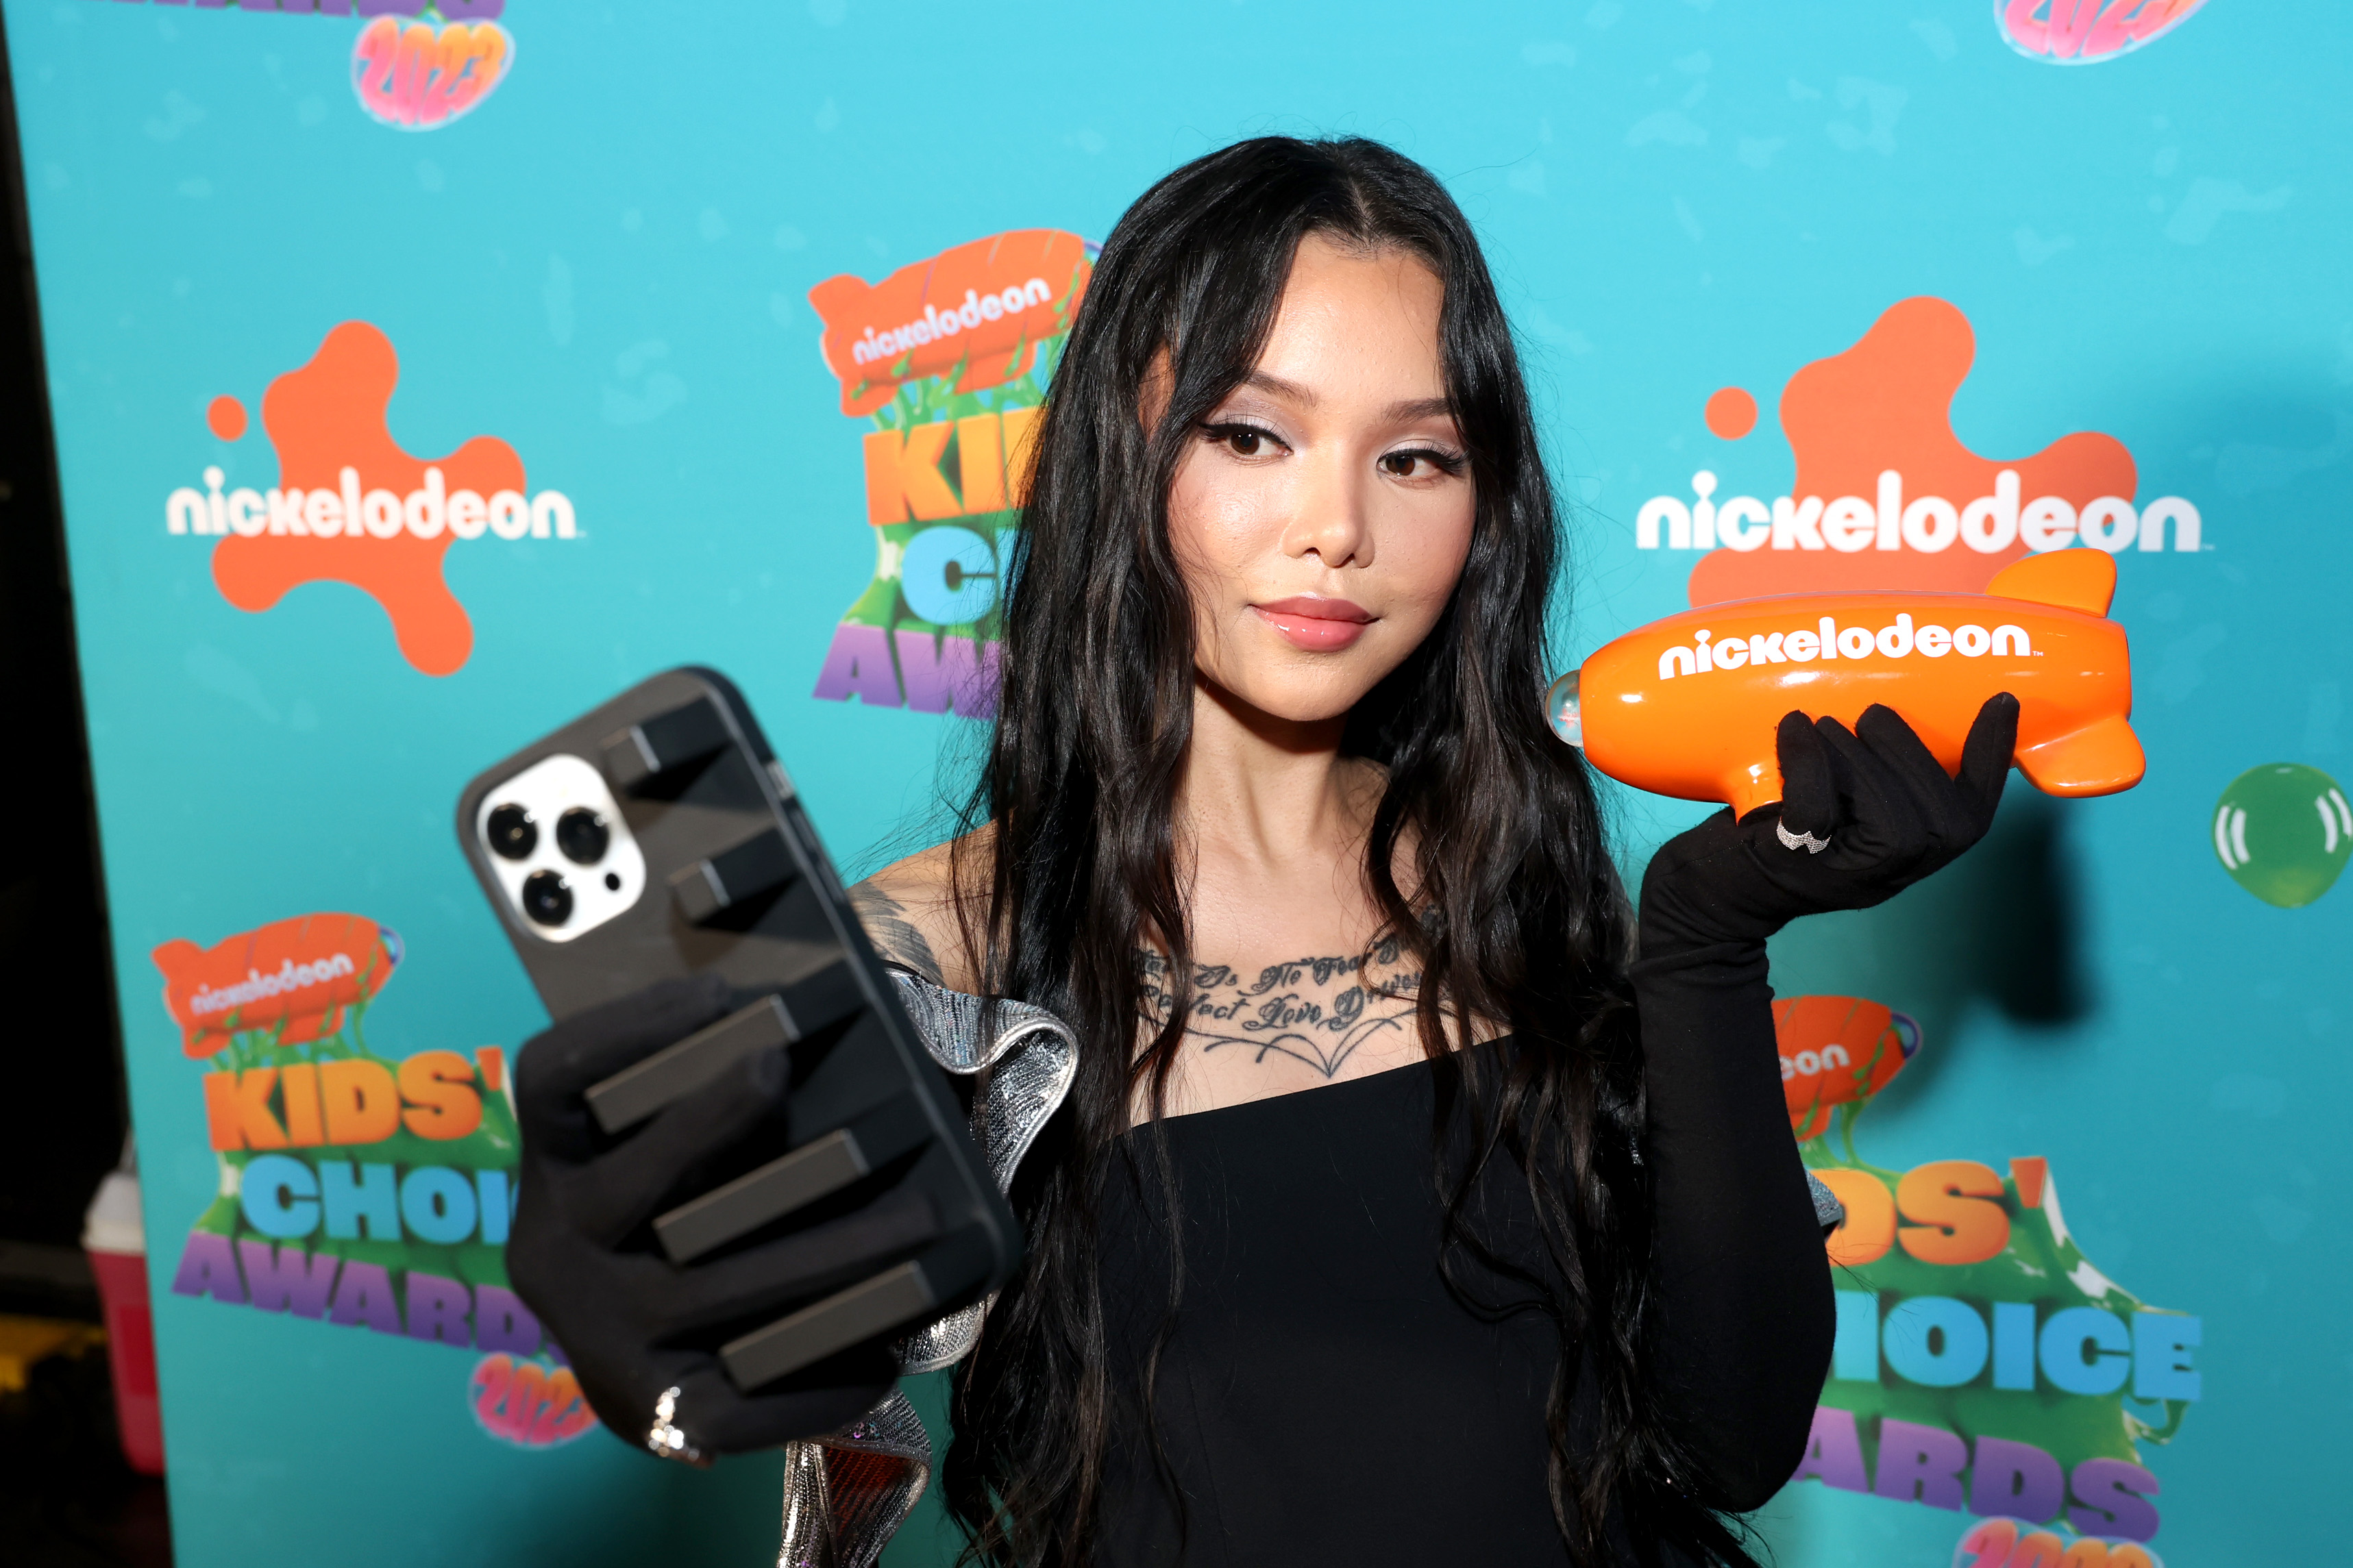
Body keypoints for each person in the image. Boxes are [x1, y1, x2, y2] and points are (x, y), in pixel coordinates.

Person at [508, 136, 2019, 1567]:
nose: (1335, 528)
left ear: (1487, 510)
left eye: (1415, 458)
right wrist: (649, 1263)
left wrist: (1700, 942)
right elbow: (731, 1304)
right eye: (1252, 433)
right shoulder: (939, 963)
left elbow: (1726, 1437)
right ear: (1125, 454)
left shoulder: (1520, 879)